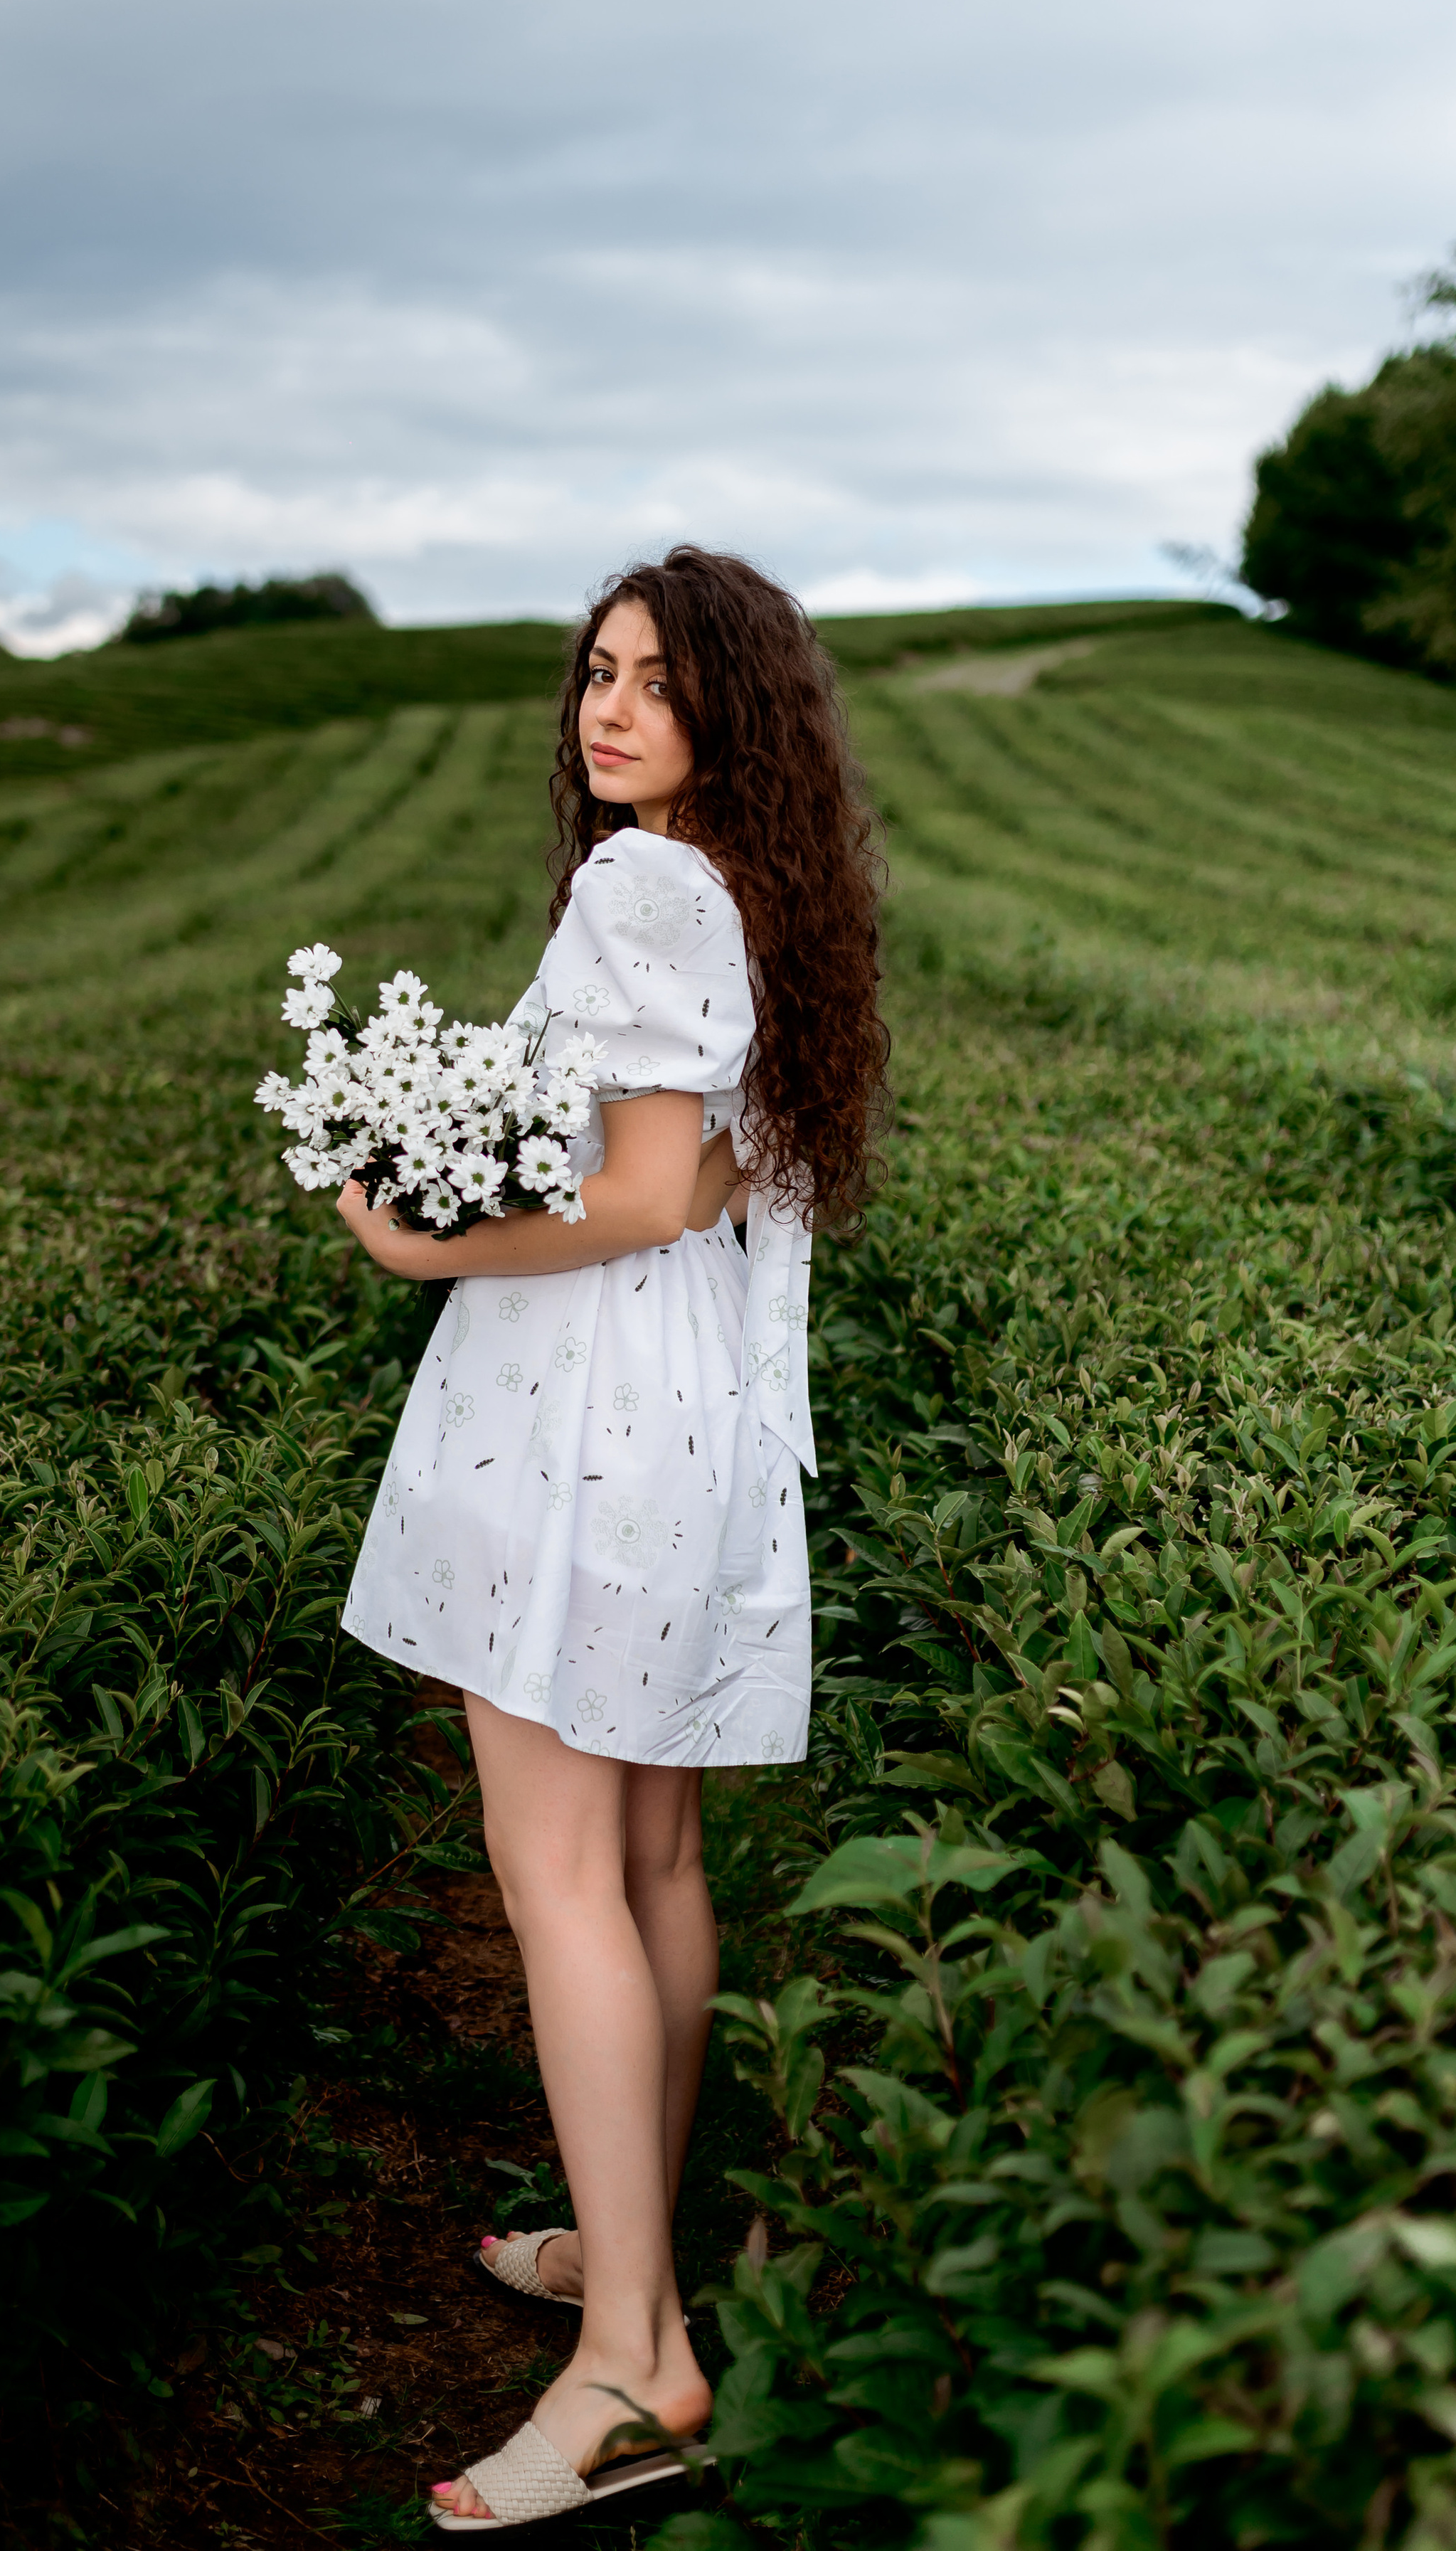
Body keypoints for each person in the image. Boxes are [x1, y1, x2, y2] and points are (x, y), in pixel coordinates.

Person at [336, 545, 887, 2530]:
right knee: (650, 1857)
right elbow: (719, 1176)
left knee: (555, 1868)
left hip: (584, 1415)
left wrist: (421, 1233)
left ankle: (636, 2361)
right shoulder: (758, 896)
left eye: (659, 678)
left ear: (733, 710)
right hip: (691, 1419)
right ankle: (625, 2238)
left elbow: (647, 1192)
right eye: (597, 670)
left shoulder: (643, 887)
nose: (612, 704)